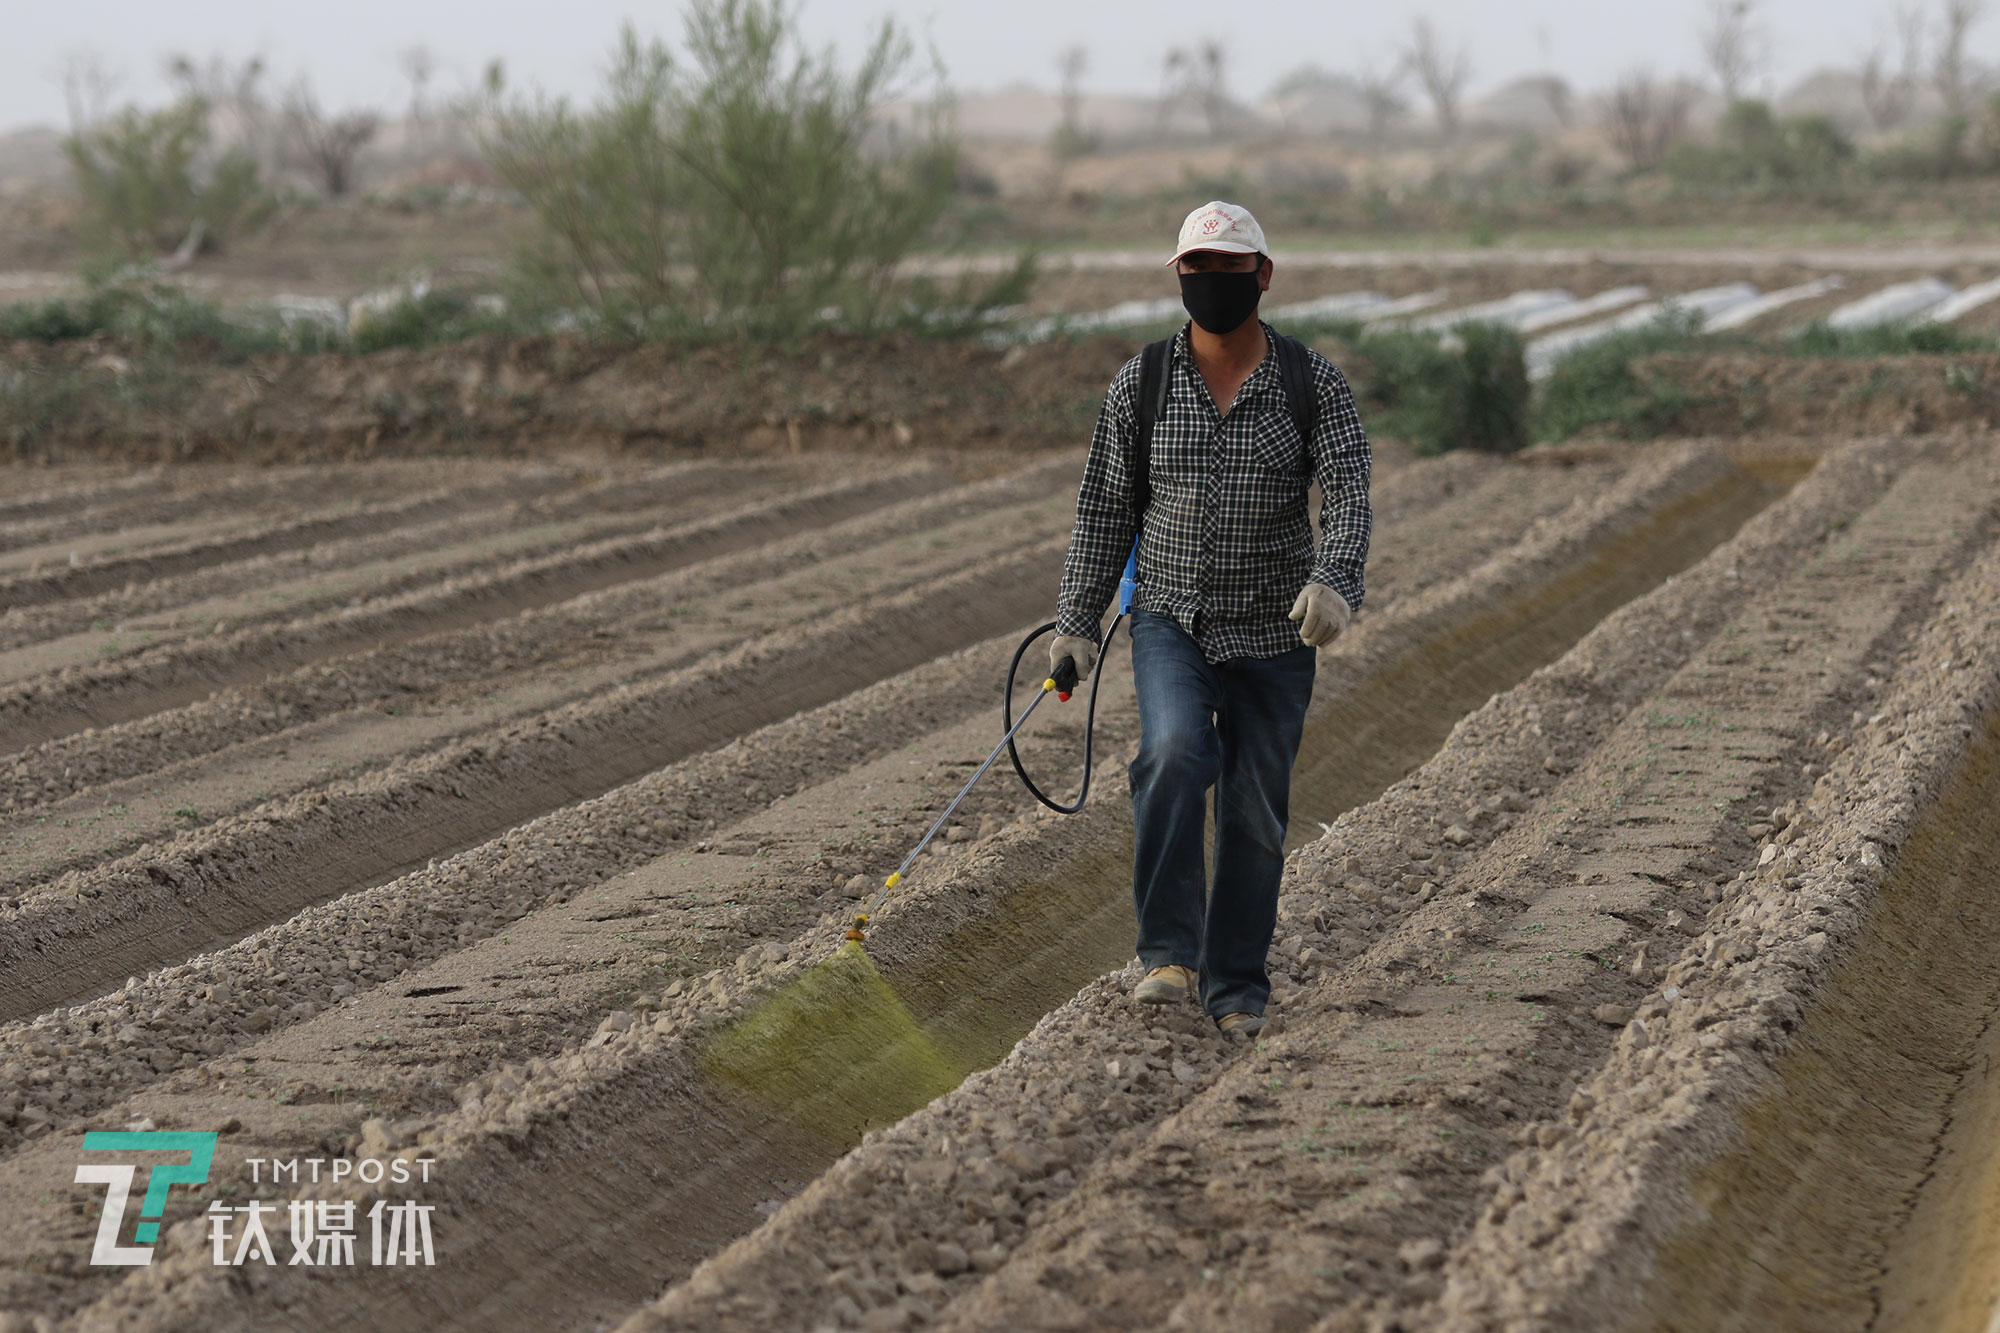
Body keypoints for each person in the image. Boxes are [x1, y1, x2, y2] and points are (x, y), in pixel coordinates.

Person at [1050, 200, 1373, 1036]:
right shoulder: (1143, 382)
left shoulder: (1311, 382)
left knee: (1255, 812)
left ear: (1262, 276)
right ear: (1179, 277)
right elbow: (1104, 508)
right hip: (1170, 618)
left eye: (1229, 272)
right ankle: (1166, 955)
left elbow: (1346, 494)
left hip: (1276, 628)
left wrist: (1334, 583)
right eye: (1197, 271)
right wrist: (1078, 623)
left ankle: (1236, 988)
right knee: (1169, 755)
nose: (1212, 285)